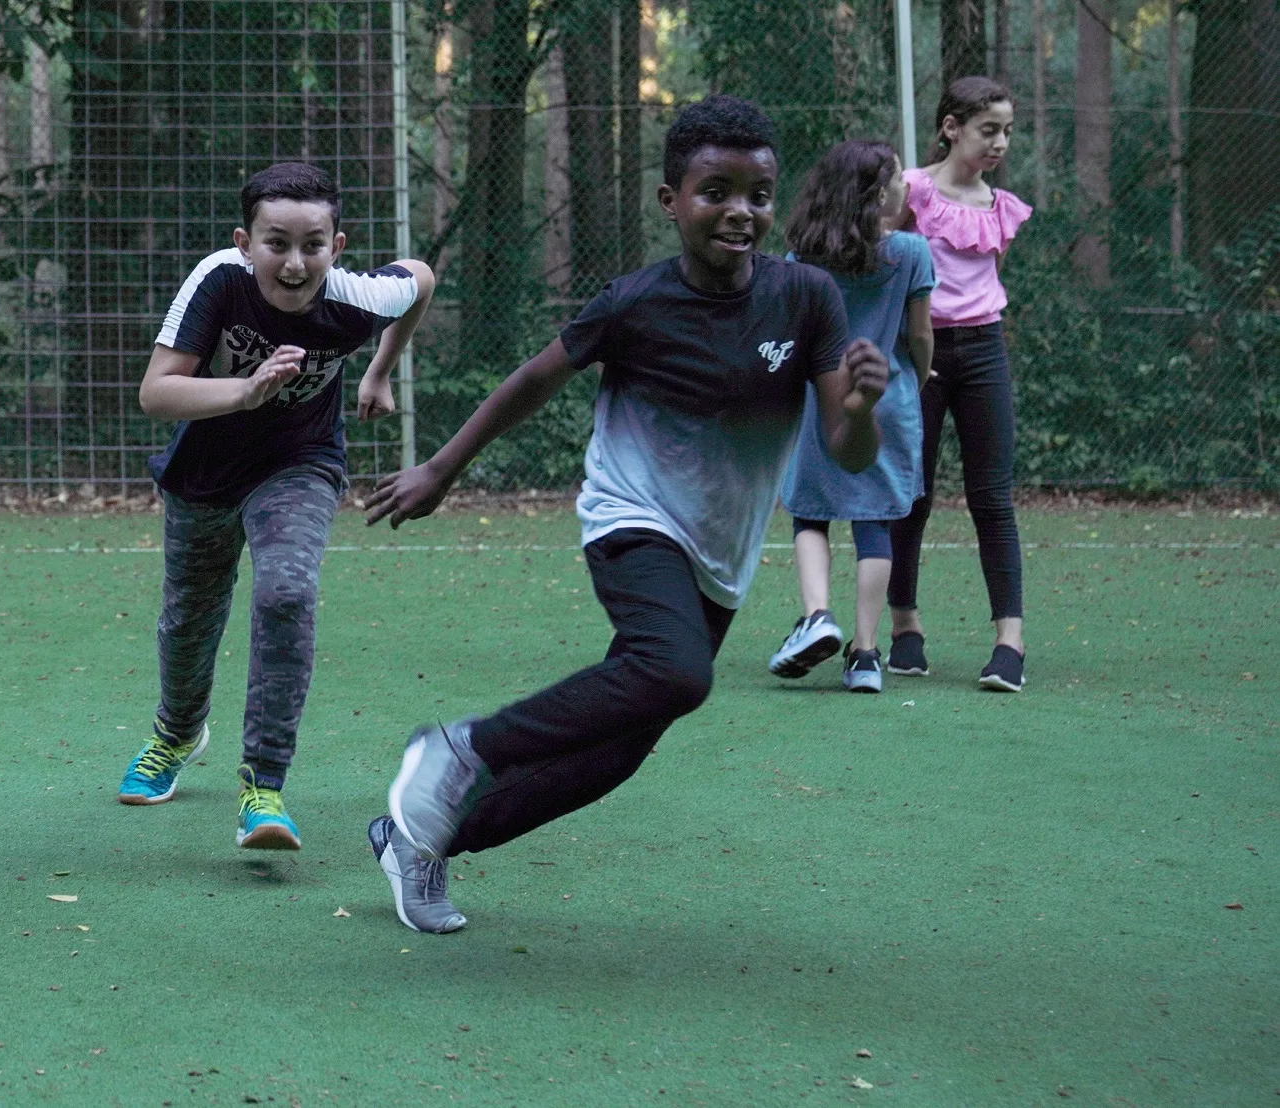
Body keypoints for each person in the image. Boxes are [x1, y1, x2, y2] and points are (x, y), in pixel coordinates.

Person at [359, 97, 887, 934]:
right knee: (676, 672)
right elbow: (532, 380)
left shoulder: (807, 299)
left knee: (615, 755)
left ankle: (417, 840)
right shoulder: (632, 302)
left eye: (756, 194)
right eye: (715, 191)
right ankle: (461, 749)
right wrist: (440, 468)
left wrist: (859, 409)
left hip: (720, 554)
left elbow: (847, 452)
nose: (738, 212)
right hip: (631, 517)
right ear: (670, 200)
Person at [114, 162, 435, 852]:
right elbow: (156, 393)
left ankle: (263, 785)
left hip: (300, 463)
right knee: (187, 620)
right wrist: (243, 392)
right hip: (205, 471)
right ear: (244, 241)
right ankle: (175, 733)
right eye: (275, 243)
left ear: (336, 246)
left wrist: (379, 369)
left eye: (312, 245)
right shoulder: (217, 281)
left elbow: (420, 279)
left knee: (286, 592)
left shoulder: (354, 297)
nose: (293, 264)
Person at [766, 139, 935, 694]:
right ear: (874, 193)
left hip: (823, 398)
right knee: (874, 522)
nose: (903, 185)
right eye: (894, 178)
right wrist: (920, 372)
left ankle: (817, 615)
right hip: (888, 397)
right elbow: (919, 335)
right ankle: (865, 654)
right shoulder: (911, 253)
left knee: (809, 514)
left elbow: (791, 339)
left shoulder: (801, 260)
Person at [889, 78, 1033, 692]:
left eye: (1006, 132)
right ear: (951, 127)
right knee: (910, 494)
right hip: (918, 352)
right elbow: (886, 258)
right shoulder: (913, 190)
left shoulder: (999, 205)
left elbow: (987, 279)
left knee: (991, 498)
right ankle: (905, 632)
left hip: (983, 354)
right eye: (988, 129)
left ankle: (1009, 644)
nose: (999, 142)